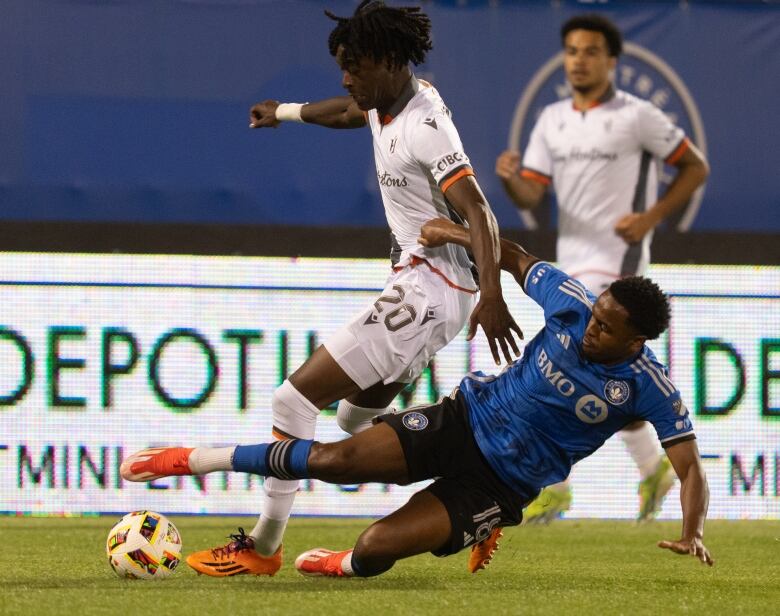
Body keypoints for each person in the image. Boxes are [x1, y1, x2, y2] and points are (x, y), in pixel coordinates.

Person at [121, 217, 714, 578]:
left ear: (637, 341)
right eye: (594, 317)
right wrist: (453, 232)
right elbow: (510, 256)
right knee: (332, 459)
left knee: (373, 549)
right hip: (461, 419)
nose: (591, 329)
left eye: (606, 330)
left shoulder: (649, 386)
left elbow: (689, 470)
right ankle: (194, 458)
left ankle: (359, 560)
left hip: (499, 487)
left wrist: (692, 531)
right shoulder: (572, 301)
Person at [182, 1, 521, 577]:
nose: (347, 79)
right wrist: (284, 111)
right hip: (428, 290)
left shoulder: (425, 125)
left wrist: (493, 294)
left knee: (292, 401)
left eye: (356, 67)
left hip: (429, 290)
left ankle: (262, 549)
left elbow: (480, 212)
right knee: (352, 425)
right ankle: (474, 486)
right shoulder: (380, 101)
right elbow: (346, 111)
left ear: (389, 61)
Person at [495, 14, 710, 522]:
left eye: (591, 51)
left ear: (611, 61)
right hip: (572, 261)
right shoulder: (551, 119)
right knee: (605, 379)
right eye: (572, 51)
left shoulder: (638, 116)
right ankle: (651, 470)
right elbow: (531, 191)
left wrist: (651, 218)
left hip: (618, 267)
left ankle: (554, 485)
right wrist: (508, 181)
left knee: (565, 363)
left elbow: (694, 165)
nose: (579, 60)